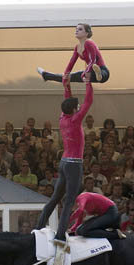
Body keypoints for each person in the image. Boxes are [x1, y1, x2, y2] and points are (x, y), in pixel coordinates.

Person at [36, 77, 94, 246]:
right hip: (74, 163)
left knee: (55, 199)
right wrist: (88, 82)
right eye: (76, 106)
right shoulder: (76, 120)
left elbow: (67, 99)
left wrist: (66, 84)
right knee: (69, 201)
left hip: (63, 162)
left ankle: (39, 228)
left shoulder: (63, 118)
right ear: (74, 109)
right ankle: (60, 235)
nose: (78, 107)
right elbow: (89, 101)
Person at [37, 23, 109, 84]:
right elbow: (71, 62)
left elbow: (92, 61)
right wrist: (66, 74)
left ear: (86, 33)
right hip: (90, 72)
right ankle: (46, 75)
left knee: (98, 73)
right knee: (69, 77)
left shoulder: (89, 43)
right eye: (76, 29)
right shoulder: (77, 47)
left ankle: (99, 75)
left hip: (102, 70)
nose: (77, 31)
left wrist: (85, 73)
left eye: (80, 29)